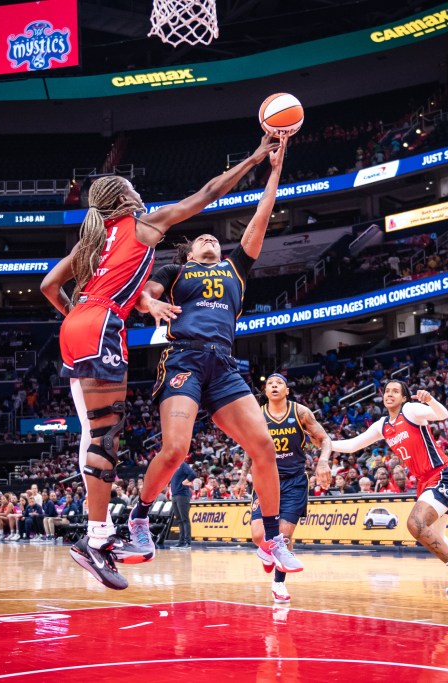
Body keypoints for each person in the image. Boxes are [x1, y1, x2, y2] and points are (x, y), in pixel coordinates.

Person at [41, 132, 279, 590]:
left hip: (77, 325)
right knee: (106, 436)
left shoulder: (89, 243)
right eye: (133, 192)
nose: (140, 195)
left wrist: (79, 315)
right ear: (124, 202)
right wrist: (252, 158)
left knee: (97, 432)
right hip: (103, 322)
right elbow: (209, 194)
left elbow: (48, 287)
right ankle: (95, 538)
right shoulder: (143, 226)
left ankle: (99, 535)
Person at [127, 137, 303, 577]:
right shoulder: (174, 272)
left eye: (214, 237)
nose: (209, 238)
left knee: (264, 446)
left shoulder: (236, 270)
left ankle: (271, 540)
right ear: (189, 253)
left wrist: (275, 170)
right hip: (184, 358)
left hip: (224, 364)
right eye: (201, 238)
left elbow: (261, 218)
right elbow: (143, 294)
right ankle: (138, 518)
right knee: (175, 448)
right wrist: (151, 306)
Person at [330, 381, 448, 599]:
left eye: (395, 391)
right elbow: (353, 445)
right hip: (425, 481)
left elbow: (442, 414)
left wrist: (429, 399)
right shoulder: (382, 425)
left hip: (442, 473)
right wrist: (325, 443)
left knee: (415, 524)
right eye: (387, 391)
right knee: (437, 535)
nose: (389, 394)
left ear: (403, 398)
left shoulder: (410, 411)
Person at [241, 373, 332, 604]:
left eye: (279, 383)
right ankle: (266, 550)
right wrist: (242, 476)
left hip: (294, 480)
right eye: (270, 383)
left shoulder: (300, 413)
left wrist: (322, 461)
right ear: (265, 390)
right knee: (259, 535)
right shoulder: (257, 414)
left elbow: (325, 439)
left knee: (283, 535)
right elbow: (249, 449)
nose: (274, 385)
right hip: (265, 479)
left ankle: (279, 583)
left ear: (287, 390)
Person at [170, 460, 197, 547]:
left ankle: (187, 542)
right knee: (179, 519)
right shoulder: (172, 467)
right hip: (174, 495)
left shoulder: (182, 464)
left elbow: (193, 474)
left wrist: (186, 482)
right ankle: (181, 541)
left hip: (182, 495)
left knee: (185, 519)